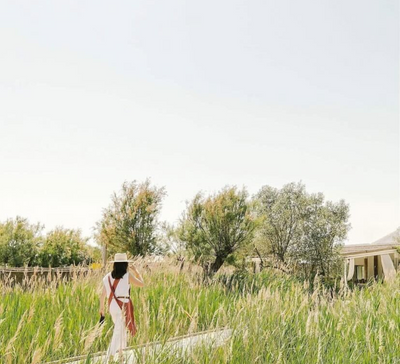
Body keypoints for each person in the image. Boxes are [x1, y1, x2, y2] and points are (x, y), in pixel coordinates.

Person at [99, 253, 144, 360]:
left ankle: (120, 354)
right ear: (125, 264)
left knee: (121, 329)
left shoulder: (107, 277)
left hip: (112, 306)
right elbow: (142, 284)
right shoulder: (127, 275)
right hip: (123, 305)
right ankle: (110, 355)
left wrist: (101, 309)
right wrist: (137, 273)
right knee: (119, 330)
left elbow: (102, 295)